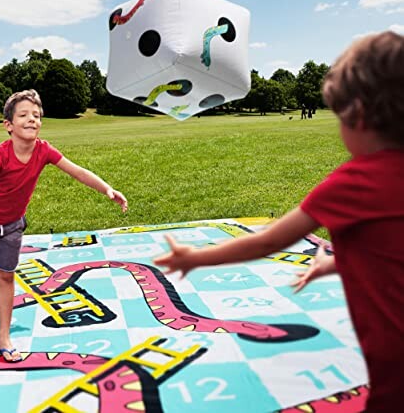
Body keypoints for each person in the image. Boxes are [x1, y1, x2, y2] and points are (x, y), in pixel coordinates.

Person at [154, 31, 404, 411]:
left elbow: (267, 242)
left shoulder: (355, 183)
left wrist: (194, 258)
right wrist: (336, 263)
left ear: (358, 115)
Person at [0, 89, 128, 363]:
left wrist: (107, 189)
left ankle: (3, 338)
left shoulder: (44, 150)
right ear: (9, 125)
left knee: (6, 276)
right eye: (24, 115)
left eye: (37, 116)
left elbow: (78, 171)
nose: (32, 120)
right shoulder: (0, 154)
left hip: (13, 227)